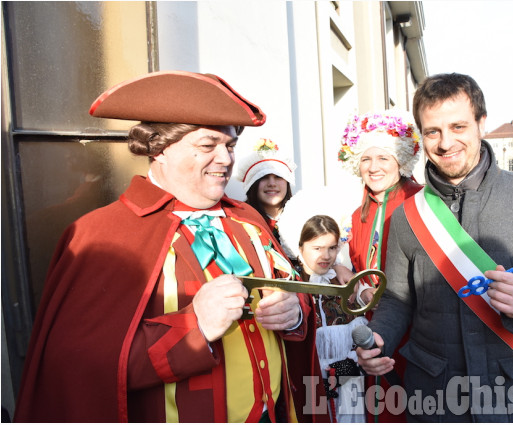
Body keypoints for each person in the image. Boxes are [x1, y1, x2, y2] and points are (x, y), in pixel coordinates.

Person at [14, 71, 328, 423]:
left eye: (230, 146)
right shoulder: (99, 236)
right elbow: (77, 372)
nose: (225, 160)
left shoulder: (249, 219)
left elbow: (294, 294)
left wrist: (294, 313)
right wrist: (195, 327)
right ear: (159, 148)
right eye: (207, 146)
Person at [356, 73, 513, 422]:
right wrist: (380, 337)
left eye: (458, 126)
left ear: (481, 123)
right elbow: (397, 300)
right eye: (432, 131)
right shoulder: (407, 215)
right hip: (435, 400)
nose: (445, 142)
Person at [337, 110, 423, 422]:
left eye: (383, 158)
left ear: (400, 161)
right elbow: (357, 269)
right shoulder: (357, 211)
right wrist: (355, 290)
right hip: (368, 334)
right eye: (366, 159)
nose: (374, 168)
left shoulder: (421, 202)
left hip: (412, 335)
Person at [288, 214, 368, 423]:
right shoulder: (290, 286)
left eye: (332, 248)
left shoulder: (346, 283)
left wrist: (350, 365)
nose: (326, 255)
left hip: (349, 387)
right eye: (317, 248)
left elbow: (364, 337)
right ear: (300, 247)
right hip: (309, 387)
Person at [234, 138, 296, 242]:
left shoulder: (300, 217)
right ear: (252, 184)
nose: (272, 183)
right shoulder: (241, 221)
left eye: (278, 177)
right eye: (264, 177)